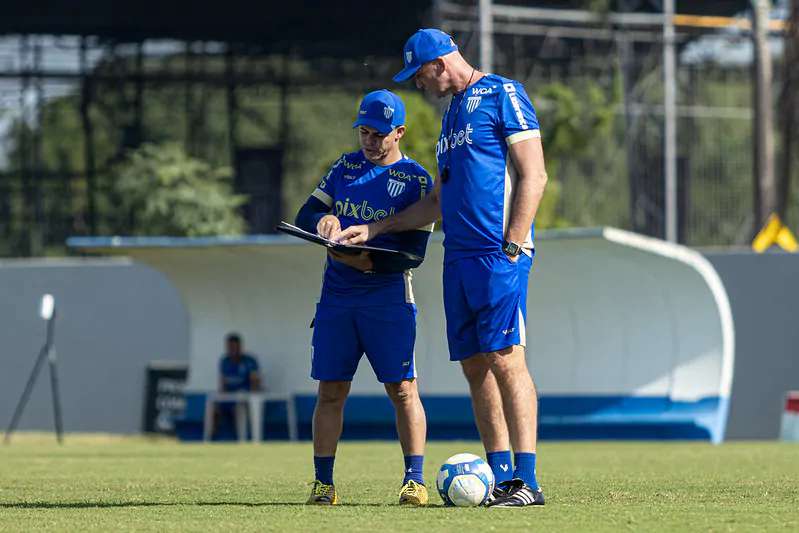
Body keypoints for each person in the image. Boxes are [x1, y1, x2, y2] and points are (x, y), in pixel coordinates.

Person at [337, 29, 548, 507]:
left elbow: (534, 172)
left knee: (506, 357)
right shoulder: (452, 115)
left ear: (438, 64)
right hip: (458, 257)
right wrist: (376, 229)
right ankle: (499, 478)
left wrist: (514, 243)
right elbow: (437, 200)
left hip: (497, 253)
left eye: (419, 76)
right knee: (475, 366)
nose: (420, 86)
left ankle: (528, 482)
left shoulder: (503, 93)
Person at [294, 89, 434, 506]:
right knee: (331, 390)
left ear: (400, 133)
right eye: (364, 133)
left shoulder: (416, 180)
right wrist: (326, 218)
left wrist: (367, 264)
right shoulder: (345, 166)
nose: (370, 142)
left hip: (387, 298)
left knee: (403, 389)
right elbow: (305, 215)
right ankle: (323, 484)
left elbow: (414, 254)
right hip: (337, 297)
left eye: (379, 135)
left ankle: (414, 481)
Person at [214, 332, 261, 439]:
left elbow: (255, 382)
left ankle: (240, 438)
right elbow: (223, 384)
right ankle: (211, 438)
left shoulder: (249, 361)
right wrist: (222, 398)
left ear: (240, 347)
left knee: (239, 408)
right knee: (214, 408)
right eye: (230, 347)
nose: (233, 350)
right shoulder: (224, 362)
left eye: (235, 347)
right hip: (230, 397)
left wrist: (252, 397)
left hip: (244, 397)